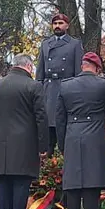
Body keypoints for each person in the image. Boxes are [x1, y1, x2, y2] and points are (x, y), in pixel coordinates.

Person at [0, 54, 49, 209]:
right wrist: (43, 145)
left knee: (3, 185)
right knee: (21, 184)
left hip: (1, 144)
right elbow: (41, 117)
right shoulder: (33, 86)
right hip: (25, 144)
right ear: (29, 66)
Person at [54, 52, 105, 209]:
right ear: (97, 68)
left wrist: (62, 144)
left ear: (82, 66)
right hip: (95, 136)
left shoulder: (66, 85)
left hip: (72, 136)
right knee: (92, 184)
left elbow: (60, 119)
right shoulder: (104, 85)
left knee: (73, 185)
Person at [38, 12, 84, 152]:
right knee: (48, 129)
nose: (57, 26)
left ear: (67, 26)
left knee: (63, 126)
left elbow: (78, 72)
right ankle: (48, 157)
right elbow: (40, 72)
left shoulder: (75, 44)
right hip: (49, 90)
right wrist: (39, 90)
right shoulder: (45, 44)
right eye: (55, 23)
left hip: (65, 87)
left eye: (60, 23)